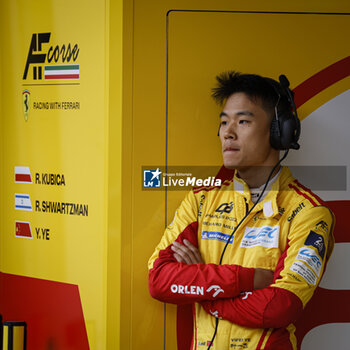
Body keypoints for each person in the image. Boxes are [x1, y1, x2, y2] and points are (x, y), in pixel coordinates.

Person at [148, 71, 334, 350]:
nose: (227, 132)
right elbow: (159, 281)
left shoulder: (308, 213)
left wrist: (201, 285)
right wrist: (250, 280)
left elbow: (281, 307)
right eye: (224, 122)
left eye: (243, 121)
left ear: (279, 131)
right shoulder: (200, 201)